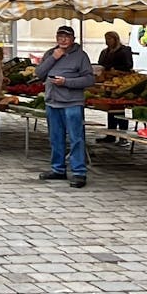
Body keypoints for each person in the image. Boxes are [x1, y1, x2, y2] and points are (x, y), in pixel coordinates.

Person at [36, 26, 95, 188]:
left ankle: (79, 172)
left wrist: (67, 82)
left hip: (72, 103)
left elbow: (89, 79)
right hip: (52, 102)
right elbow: (39, 73)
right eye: (60, 36)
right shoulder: (50, 53)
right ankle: (58, 169)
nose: (63, 39)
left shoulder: (81, 56)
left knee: (76, 138)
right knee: (55, 138)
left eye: (66, 37)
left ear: (73, 39)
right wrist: (53, 58)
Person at [96, 31, 135, 145]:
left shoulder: (124, 51)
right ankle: (111, 135)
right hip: (109, 82)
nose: (107, 41)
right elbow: (101, 64)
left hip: (121, 83)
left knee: (120, 109)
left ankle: (123, 137)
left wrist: (117, 71)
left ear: (115, 39)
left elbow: (128, 66)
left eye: (109, 39)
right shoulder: (105, 52)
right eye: (106, 39)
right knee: (111, 109)